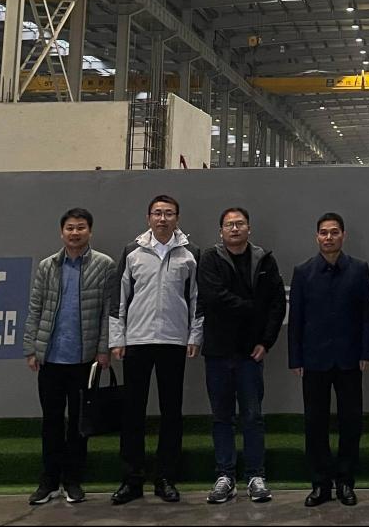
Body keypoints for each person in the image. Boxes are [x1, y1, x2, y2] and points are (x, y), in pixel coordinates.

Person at [109, 194, 203, 505]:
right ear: (148, 218)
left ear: (177, 218)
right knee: (132, 412)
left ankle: (165, 478)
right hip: (136, 342)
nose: (163, 218)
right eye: (157, 213)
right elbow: (119, 298)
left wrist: (194, 335)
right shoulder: (132, 251)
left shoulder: (190, 253)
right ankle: (132, 479)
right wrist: (117, 338)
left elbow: (197, 299)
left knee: (171, 412)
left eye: (169, 213)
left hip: (174, 342)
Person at [23, 208, 116, 505]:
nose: (75, 233)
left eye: (81, 227)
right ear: (61, 232)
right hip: (51, 358)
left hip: (84, 359)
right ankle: (48, 482)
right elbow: (35, 308)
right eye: (70, 228)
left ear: (90, 231)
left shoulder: (105, 265)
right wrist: (31, 348)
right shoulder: (48, 266)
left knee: (79, 424)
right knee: (51, 422)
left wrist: (103, 349)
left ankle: (72, 481)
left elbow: (108, 312)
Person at [199, 207, 286, 504]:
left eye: (240, 224)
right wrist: (252, 308)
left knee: (252, 416)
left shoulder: (265, 260)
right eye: (229, 224)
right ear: (221, 231)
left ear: (249, 228)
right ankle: (225, 476)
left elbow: (277, 303)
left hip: (251, 353)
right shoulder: (210, 259)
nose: (234, 229)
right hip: (217, 351)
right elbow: (214, 297)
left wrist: (266, 341)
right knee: (221, 417)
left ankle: (255, 476)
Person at [288, 212, 369, 507]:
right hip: (314, 360)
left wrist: (366, 352)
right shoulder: (303, 271)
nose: (329, 237)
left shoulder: (359, 269)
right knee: (315, 424)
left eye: (334, 232)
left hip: (350, 359)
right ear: (317, 237)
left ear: (343, 236)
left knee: (351, 423)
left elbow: (367, 316)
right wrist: (295, 358)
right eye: (324, 232)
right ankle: (320, 484)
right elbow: (296, 318)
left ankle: (346, 482)